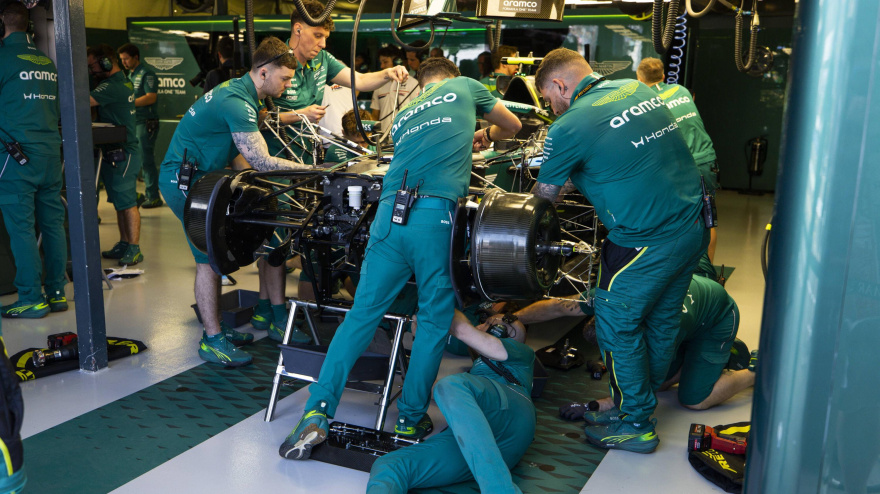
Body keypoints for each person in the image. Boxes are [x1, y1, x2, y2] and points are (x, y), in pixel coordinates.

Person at [278, 57, 521, 459]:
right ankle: (410, 415)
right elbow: (511, 127)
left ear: (423, 84)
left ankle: (315, 412)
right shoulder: (465, 86)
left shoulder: (406, 113)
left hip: (389, 217)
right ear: (449, 76)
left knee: (361, 316)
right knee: (432, 318)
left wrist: (466, 133)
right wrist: (482, 131)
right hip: (433, 218)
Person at [530, 48, 708, 453]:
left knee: (616, 324)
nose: (551, 107)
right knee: (661, 323)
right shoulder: (634, 87)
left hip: (644, 243)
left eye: (547, 98)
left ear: (560, 85)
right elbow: (625, 154)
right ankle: (631, 403)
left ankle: (636, 423)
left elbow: (543, 202)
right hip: (690, 228)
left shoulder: (569, 126)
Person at [249, 0, 413, 345]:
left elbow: (360, 80)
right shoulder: (273, 63)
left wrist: (389, 72)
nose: (323, 44)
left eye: (325, 37)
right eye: (318, 36)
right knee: (274, 240)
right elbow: (257, 118)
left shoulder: (322, 61)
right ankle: (278, 315)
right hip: (274, 166)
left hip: (306, 165)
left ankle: (265, 306)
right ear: (298, 29)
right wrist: (299, 115)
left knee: (283, 238)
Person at [157, 37, 314, 367]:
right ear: (263, 72)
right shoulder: (236, 101)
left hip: (210, 178)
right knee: (209, 258)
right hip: (184, 181)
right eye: (284, 78)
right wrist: (312, 171)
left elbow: (243, 159)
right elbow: (260, 160)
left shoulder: (247, 97)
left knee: (238, 245)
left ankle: (252, 319)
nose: (288, 85)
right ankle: (212, 340)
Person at [485, 267, 756, 423]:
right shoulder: (611, 300)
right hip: (692, 313)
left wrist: (594, 405)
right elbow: (559, 307)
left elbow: (642, 388)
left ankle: (757, 368)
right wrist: (513, 317)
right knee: (662, 382)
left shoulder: (662, 330)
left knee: (694, 400)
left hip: (716, 318)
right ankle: (702, 363)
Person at [367, 310, 535, 494]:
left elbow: (466, 332)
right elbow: (434, 389)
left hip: (513, 412)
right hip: (488, 446)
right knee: (390, 466)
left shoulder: (523, 354)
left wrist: (439, 306)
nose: (480, 325)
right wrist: (421, 341)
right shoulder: (475, 375)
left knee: (450, 385)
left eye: (487, 323)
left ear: (500, 332)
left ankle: (500, 490)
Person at [0, 2, 67, 319]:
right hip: (51, 154)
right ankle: (56, 293)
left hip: (15, 158)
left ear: (2, 23)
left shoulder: (2, 58)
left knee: (22, 229)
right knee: (53, 225)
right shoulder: (46, 62)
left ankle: (29, 297)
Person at [637, 57, 720, 261]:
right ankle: (706, 271)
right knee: (708, 220)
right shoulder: (682, 91)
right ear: (663, 76)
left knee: (676, 221)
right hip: (706, 159)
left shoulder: (646, 102)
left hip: (682, 167)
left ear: (639, 79)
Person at [88, 44, 144, 266]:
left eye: (93, 66)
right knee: (120, 202)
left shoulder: (113, 86)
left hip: (125, 152)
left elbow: (84, 101)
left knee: (128, 202)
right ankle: (124, 242)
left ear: (106, 63)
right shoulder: (116, 83)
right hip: (113, 151)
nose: (91, 71)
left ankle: (134, 247)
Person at [118, 43, 162, 210]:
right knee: (134, 160)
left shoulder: (147, 74)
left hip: (146, 122)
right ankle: (140, 194)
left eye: (126, 58)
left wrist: (129, 103)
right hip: (133, 122)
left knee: (146, 159)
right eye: (121, 59)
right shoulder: (129, 75)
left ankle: (153, 196)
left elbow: (151, 97)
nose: (124, 62)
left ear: (136, 57)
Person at [370, 45, 420, 131]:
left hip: (405, 135)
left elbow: (417, 114)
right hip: (383, 137)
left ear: (398, 62)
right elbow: (375, 115)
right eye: (381, 62)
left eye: (385, 62)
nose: (382, 66)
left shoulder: (414, 84)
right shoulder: (378, 85)